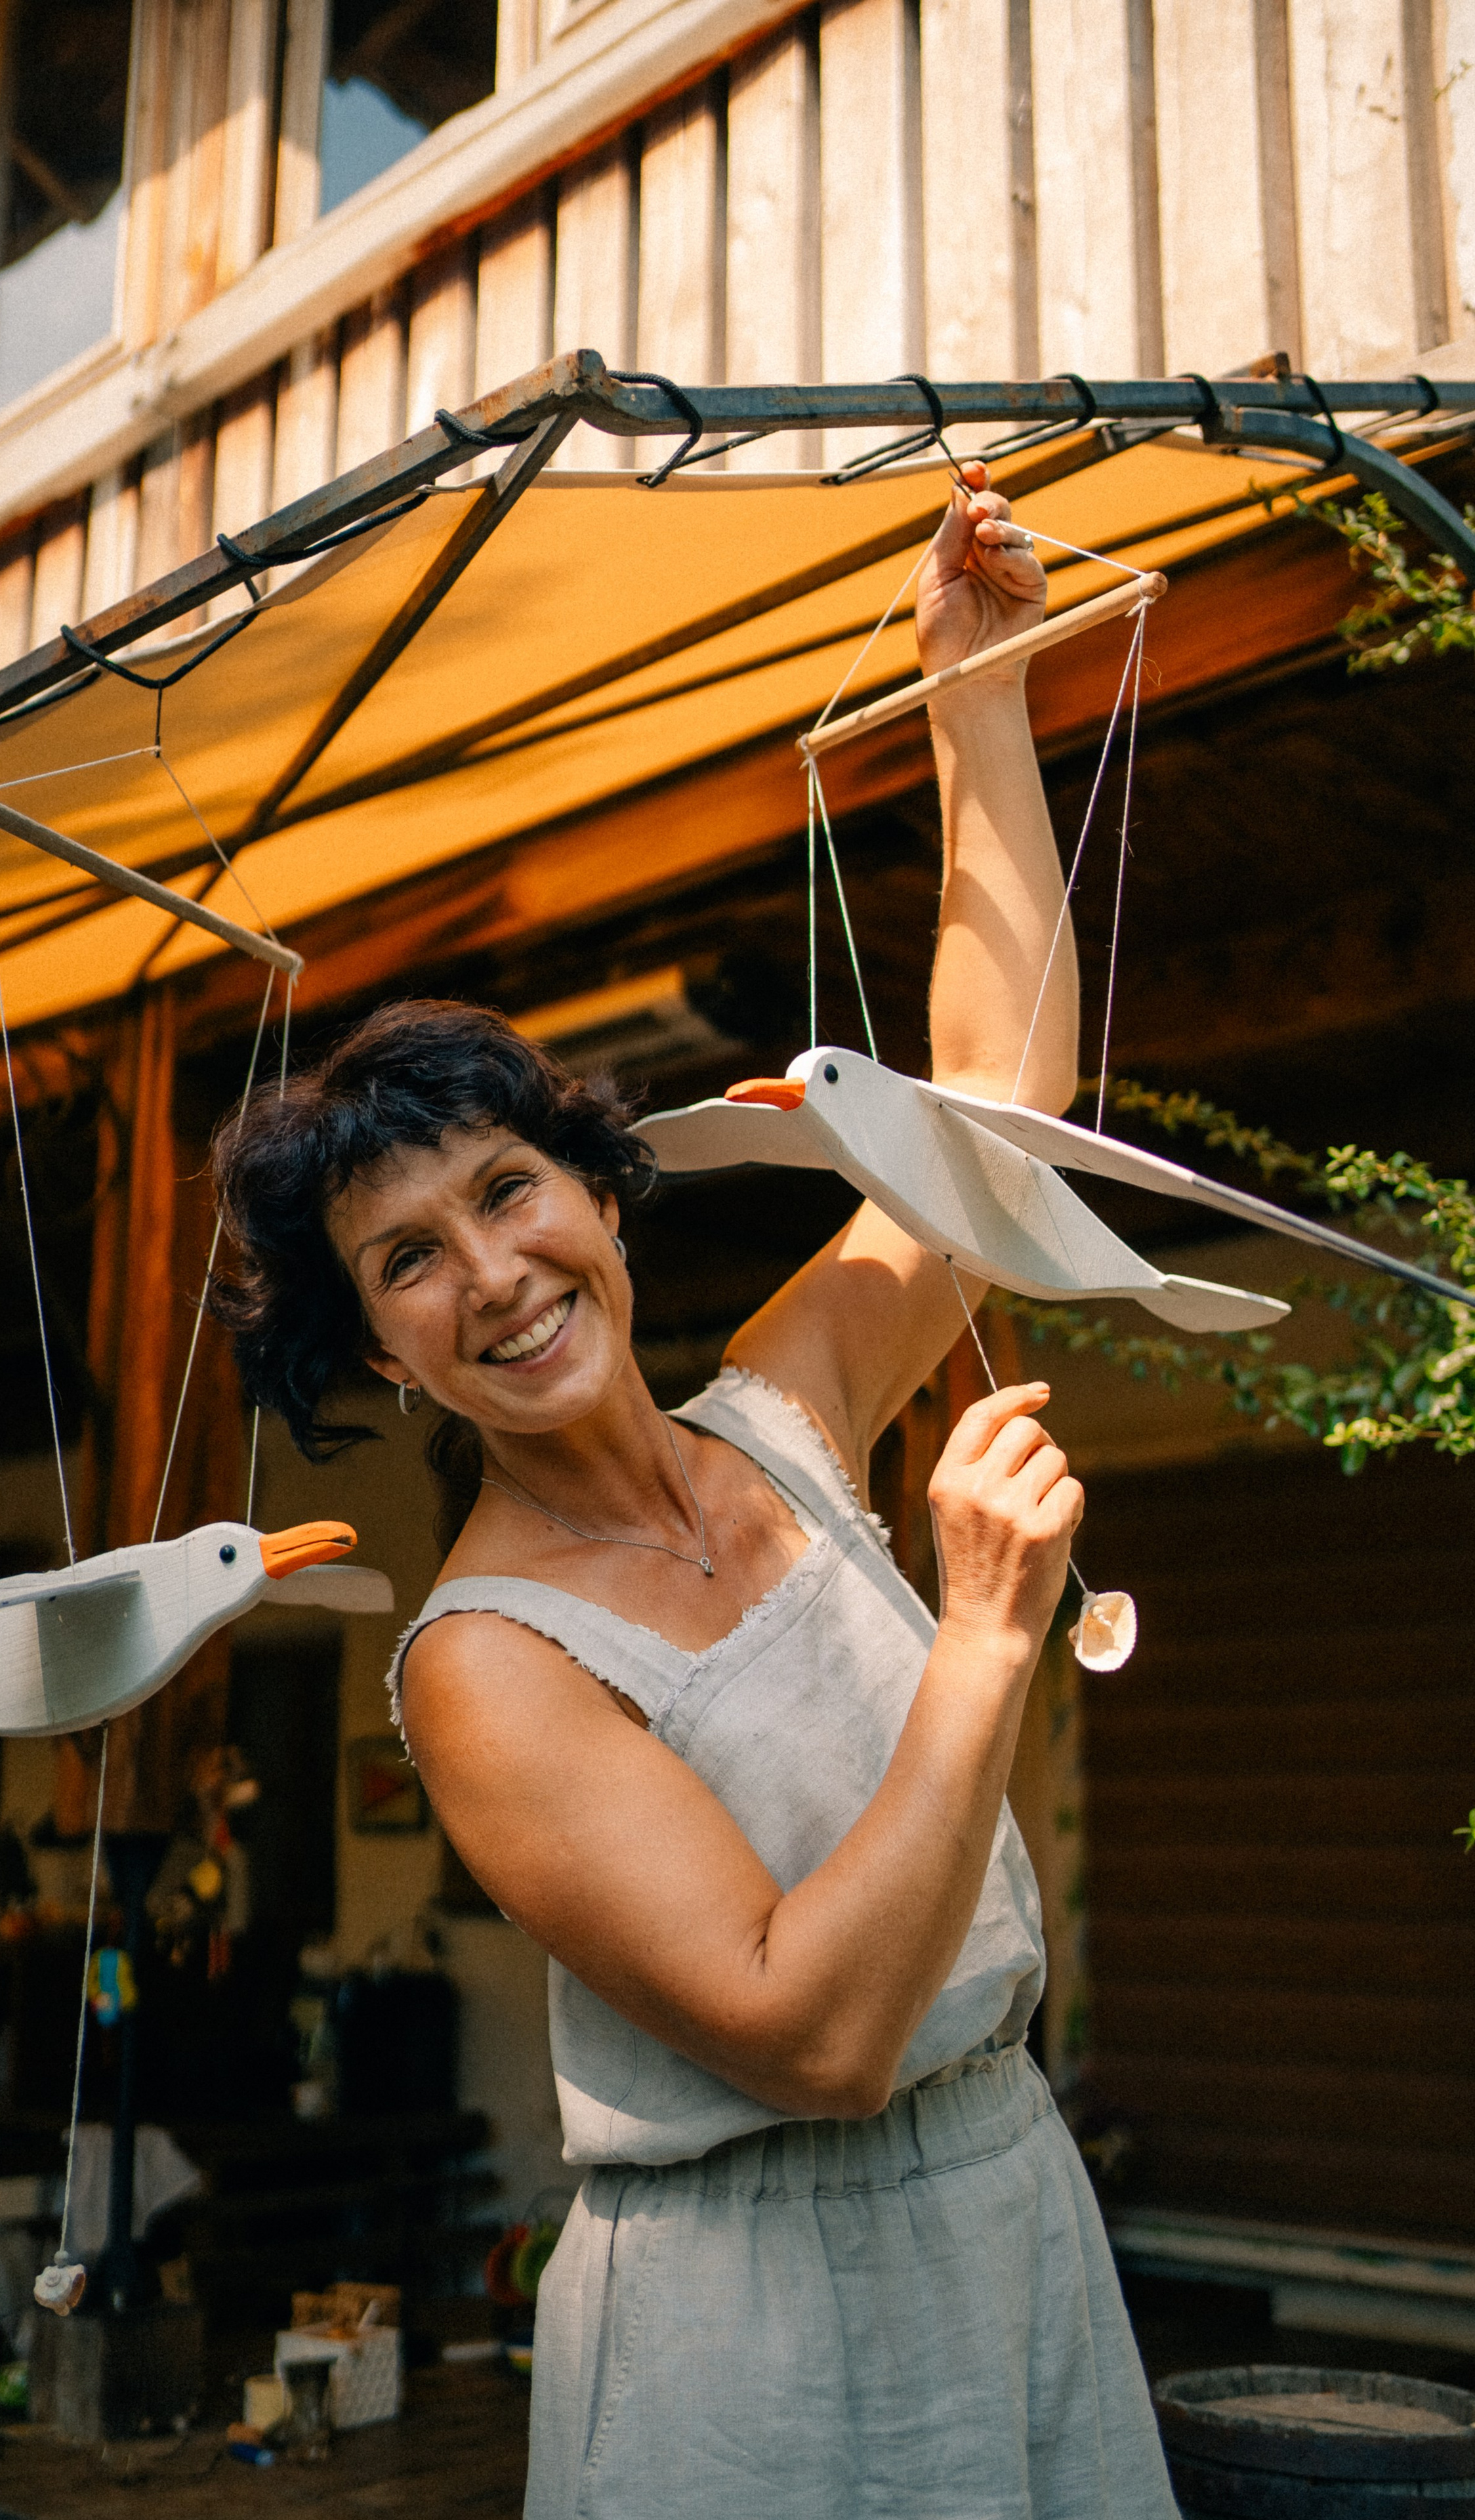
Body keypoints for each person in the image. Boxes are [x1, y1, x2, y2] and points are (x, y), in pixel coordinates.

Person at [213, 464, 1178, 2519]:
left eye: (509, 1192)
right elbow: (807, 2035)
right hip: (757, 2326)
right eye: (408, 1261)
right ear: (382, 1357)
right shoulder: (485, 1666)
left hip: (1009, 2203)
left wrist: (972, 695)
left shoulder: (784, 1406)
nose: (493, 1275)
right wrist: (984, 1640)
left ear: (598, 1195)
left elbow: (993, 1125)